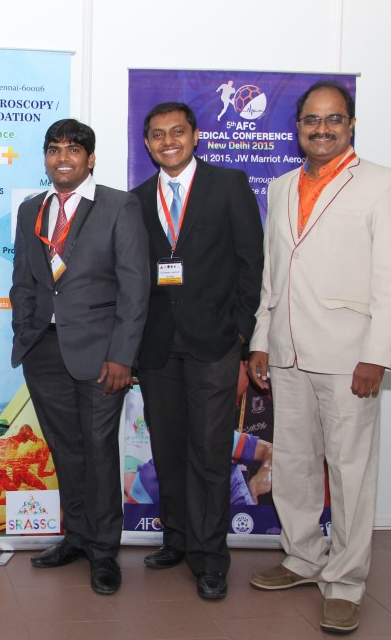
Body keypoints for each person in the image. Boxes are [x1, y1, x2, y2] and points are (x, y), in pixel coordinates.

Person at [247, 81, 391, 635]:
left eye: (334, 119)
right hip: (288, 351)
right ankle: (302, 558)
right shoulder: (281, 186)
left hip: (349, 356)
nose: (322, 129)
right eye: (312, 120)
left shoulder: (385, 184)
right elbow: (274, 273)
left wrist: (378, 356)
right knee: (293, 463)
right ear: (297, 127)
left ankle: (344, 582)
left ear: (350, 124)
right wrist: (261, 339)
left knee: (349, 472)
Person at [10, 118, 150, 595]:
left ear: (90, 159)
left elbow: (135, 288)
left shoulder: (118, 205)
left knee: (98, 448)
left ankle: (104, 550)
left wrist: (123, 356)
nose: (62, 157)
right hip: (44, 351)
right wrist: (25, 332)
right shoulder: (31, 209)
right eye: (54, 149)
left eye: (73, 149)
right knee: (65, 448)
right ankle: (76, 536)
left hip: (101, 355)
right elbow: (23, 281)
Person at [131, 102, 263, 600]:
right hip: (158, 347)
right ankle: (178, 539)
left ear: (195, 136)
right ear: (148, 144)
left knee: (209, 453)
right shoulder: (137, 199)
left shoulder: (228, 185)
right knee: (167, 450)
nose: (169, 141)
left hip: (214, 344)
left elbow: (252, 262)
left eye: (178, 132)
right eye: (158, 134)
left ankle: (209, 559)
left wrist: (241, 333)